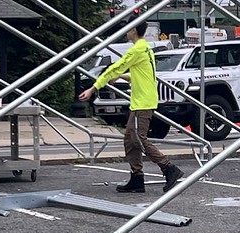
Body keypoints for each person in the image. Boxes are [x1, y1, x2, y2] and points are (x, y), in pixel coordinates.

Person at [77, 20, 184, 194]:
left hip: (143, 102)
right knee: (129, 139)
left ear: (133, 30)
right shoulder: (146, 48)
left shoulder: (136, 50)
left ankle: (168, 168)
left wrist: (93, 88)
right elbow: (140, 72)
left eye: (128, 29)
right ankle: (136, 179)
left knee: (139, 139)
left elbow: (115, 68)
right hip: (143, 101)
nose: (126, 31)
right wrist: (123, 77)